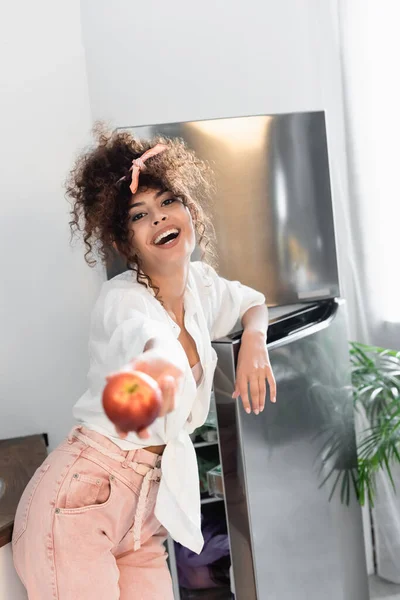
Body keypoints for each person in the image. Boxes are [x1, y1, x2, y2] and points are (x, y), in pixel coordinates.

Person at [12, 126, 276, 599]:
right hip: (80, 500)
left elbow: (251, 302)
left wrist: (254, 341)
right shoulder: (122, 300)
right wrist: (158, 370)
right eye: (140, 215)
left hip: (144, 508)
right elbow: (149, 341)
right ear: (125, 243)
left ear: (189, 213)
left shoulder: (201, 285)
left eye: (169, 202)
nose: (159, 219)